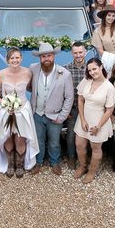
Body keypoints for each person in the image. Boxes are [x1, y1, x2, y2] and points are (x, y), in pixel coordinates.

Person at [0, 48, 39, 177]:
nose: (15, 60)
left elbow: (31, 88)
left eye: (17, 57)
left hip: (22, 110)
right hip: (6, 110)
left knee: (20, 138)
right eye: (12, 58)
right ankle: (10, 164)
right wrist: (4, 103)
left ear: (21, 58)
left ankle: (19, 164)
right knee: (7, 137)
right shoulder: (1, 74)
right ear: (7, 60)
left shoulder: (28, 72)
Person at [29, 43, 74, 176]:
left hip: (55, 116)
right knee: (38, 140)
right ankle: (38, 162)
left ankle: (55, 162)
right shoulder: (33, 69)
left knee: (54, 142)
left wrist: (62, 116)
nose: (46, 59)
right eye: (43, 56)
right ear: (40, 58)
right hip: (37, 113)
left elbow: (69, 98)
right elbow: (27, 86)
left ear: (53, 56)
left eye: (49, 55)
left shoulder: (64, 73)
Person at [73, 58, 115, 183]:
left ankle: (92, 172)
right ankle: (82, 167)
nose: (92, 72)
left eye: (94, 69)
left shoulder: (109, 87)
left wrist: (98, 126)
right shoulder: (86, 81)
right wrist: (82, 119)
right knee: (79, 145)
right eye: (90, 70)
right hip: (84, 118)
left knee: (96, 147)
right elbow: (81, 100)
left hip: (99, 121)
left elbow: (109, 110)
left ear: (101, 67)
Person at [64, 42, 88, 170]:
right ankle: (71, 157)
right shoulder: (66, 69)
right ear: (72, 53)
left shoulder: (91, 68)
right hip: (72, 107)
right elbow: (62, 90)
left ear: (85, 52)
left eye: (80, 52)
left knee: (87, 132)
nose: (78, 55)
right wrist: (65, 109)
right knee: (71, 134)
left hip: (89, 108)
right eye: (75, 53)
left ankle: (84, 158)